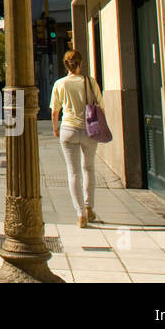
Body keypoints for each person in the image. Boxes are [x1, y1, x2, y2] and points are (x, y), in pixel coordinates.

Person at [50, 49, 102, 228]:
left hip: (68, 129)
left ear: (66, 65)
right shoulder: (90, 82)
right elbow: (100, 105)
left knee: (73, 172)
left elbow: (55, 110)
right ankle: (89, 207)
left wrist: (56, 128)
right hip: (89, 130)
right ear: (80, 63)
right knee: (89, 169)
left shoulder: (60, 84)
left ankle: (79, 213)